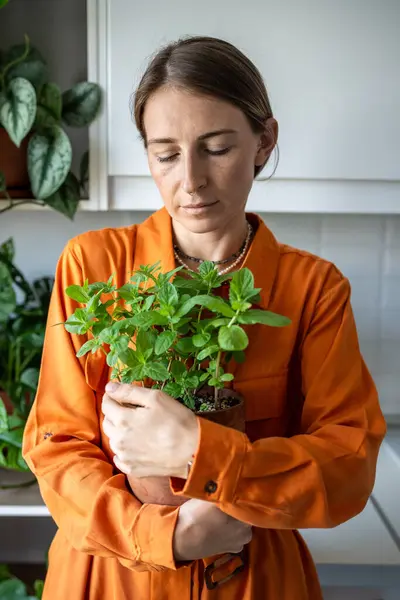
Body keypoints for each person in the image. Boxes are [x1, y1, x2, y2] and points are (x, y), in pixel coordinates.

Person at [23, 36, 386, 599]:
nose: (189, 180)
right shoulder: (94, 265)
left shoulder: (313, 289)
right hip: (110, 574)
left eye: (216, 148)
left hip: (253, 571)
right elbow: (57, 446)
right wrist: (164, 537)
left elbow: (348, 468)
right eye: (165, 154)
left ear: (264, 141)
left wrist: (200, 451)